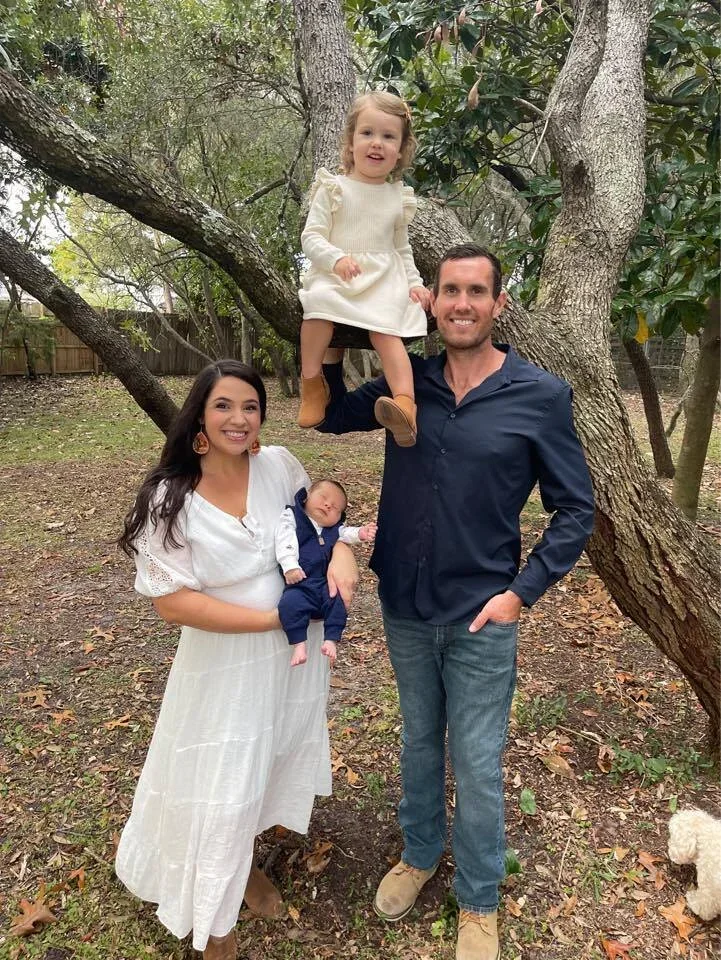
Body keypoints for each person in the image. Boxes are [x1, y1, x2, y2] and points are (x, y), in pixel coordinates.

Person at [318, 244, 595, 960]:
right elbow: (320, 413)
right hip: (406, 604)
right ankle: (418, 854)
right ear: (430, 301)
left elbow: (574, 510)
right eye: (450, 291)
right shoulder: (404, 383)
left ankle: (477, 899)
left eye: (477, 291)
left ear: (498, 304)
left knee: (474, 760)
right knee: (416, 741)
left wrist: (520, 595)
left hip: (481, 614)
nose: (462, 303)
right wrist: (338, 306)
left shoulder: (540, 395)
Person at [114, 360, 357, 960]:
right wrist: (271, 619)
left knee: (266, 763)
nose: (239, 419)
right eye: (224, 405)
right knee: (220, 778)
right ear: (199, 416)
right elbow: (173, 604)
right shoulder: (170, 500)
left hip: (291, 663)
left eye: (250, 406)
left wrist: (344, 568)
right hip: (225, 668)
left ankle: (242, 862)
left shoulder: (279, 468)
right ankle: (214, 923)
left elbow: (324, 529)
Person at [298, 90, 431, 446]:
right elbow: (311, 237)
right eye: (368, 133)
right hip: (338, 276)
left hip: (382, 280)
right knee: (317, 313)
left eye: (389, 137)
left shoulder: (397, 197)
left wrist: (415, 283)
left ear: (401, 150)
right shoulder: (333, 188)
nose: (377, 144)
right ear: (351, 141)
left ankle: (405, 403)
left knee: (387, 333)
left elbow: (402, 249)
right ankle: (312, 383)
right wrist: (334, 259)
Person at [275, 478, 377, 667]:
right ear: (307, 496)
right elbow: (284, 538)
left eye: (336, 508)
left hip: (323, 583)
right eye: (323, 497)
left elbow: (347, 533)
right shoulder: (293, 517)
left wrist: (362, 533)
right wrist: (289, 564)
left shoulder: (332, 529)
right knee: (290, 605)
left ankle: (331, 639)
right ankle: (298, 643)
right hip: (299, 581)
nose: (328, 505)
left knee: (337, 603)